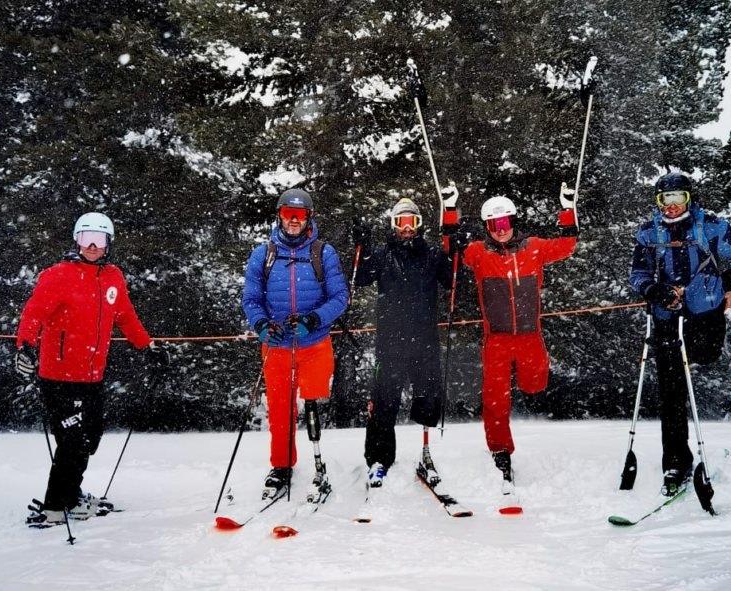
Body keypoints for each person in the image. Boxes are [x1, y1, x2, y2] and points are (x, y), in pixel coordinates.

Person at [16, 212, 171, 527]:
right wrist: (25, 346)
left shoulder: (113, 277)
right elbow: (33, 312)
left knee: (91, 438)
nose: (91, 245)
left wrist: (148, 347)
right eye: (85, 237)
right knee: (71, 442)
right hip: (58, 376)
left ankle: (72, 497)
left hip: (92, 377)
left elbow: (126, 317)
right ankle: (55, 507)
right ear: (76, 239)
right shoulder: (58, 274)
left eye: (98, 239)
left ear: (108, 243)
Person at [629, 172, 731, 496]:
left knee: (707, 355)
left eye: (677, 199)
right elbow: (638, 273)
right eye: (664, 200)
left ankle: (691, 364)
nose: (671, 207)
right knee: (671, 392)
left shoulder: (710, 226)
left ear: (688, 198)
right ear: (658, 203)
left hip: (706, 311)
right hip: (668, 317)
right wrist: (653, 289)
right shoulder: (647, 233)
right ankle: (676, 462)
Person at [445, 193, 579, 492]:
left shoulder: (534, 247)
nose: (500, 228)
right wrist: (450, 212)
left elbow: (567, 245)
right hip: (497, 340)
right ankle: (500, 450)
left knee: (535, 385)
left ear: (513, 221)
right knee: (495, 399)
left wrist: (568, 210)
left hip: (530, 336)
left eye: (504, 221)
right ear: (487, 226)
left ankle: (531, 394)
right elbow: (451, 252)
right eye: (493, 223)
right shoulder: (480, 252)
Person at [242, 188, 349, 502]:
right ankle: (282, 466)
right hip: (276, 345)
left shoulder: (323, 252)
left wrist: (313, 320)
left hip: (313, 343)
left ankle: (319, 464)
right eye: (288, 213)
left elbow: (340, 298)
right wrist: (260, 324)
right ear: (279, 215)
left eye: (299, 215)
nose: (293, 220)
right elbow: (251, 299)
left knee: (313, 403)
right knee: (279, 411)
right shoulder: (263, 254)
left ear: (308, 218)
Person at [352, 198, 452, 488]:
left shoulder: (431, 255)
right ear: (394, 225)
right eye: (401, 223)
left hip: (424, 341)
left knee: (427, 398)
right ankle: (380, 459)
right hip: (391, 342)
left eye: (411, 223)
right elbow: (361, 278)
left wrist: (453, 248)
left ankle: (426, 452)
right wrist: (363, 247)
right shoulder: (384, 255)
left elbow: (451, 280)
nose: (406, 229)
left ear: (419, 225)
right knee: (384, 402)